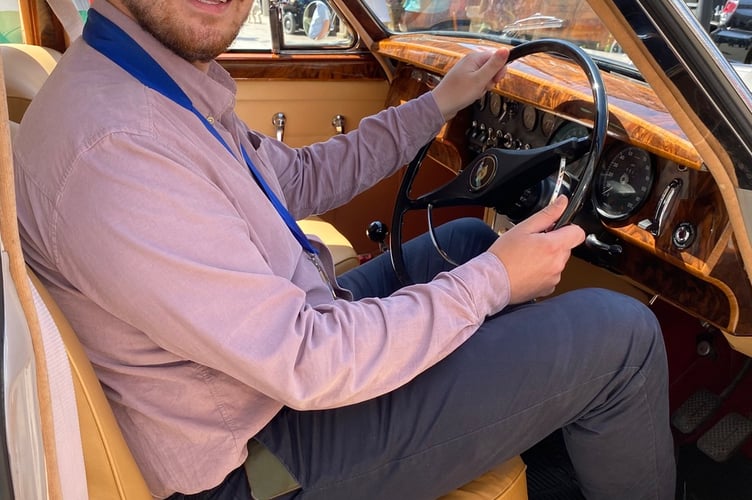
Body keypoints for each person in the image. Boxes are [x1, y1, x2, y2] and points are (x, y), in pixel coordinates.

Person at [12, 0, 675, 498]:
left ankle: (548, 419)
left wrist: (438, 104)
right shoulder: (118, 148)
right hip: (257, 467)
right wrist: (495, 283)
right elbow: (310, 359)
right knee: (623, 337)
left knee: (469, 240)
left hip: (243, 382)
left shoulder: (147, 85)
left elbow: (294, 180)